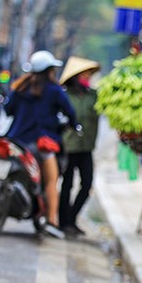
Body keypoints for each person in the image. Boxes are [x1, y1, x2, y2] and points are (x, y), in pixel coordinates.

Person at [4, 50, 78, 238]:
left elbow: (7, 109)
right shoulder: (54, 91)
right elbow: (69, 112)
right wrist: (74, 124)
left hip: (15, 140)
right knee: (51, 182)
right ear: (50, 71)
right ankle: (52, 221)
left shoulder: (20, 87)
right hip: (40, 144)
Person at [58, 56, 101, 236]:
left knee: (87, 184)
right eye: (84, 75)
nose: (87, 78)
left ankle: (72, 218)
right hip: (68, 147)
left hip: (86, 148)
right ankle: (63, 222)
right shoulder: (64, 96)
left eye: (89, 75)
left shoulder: (93, 96)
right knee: (66, 185)